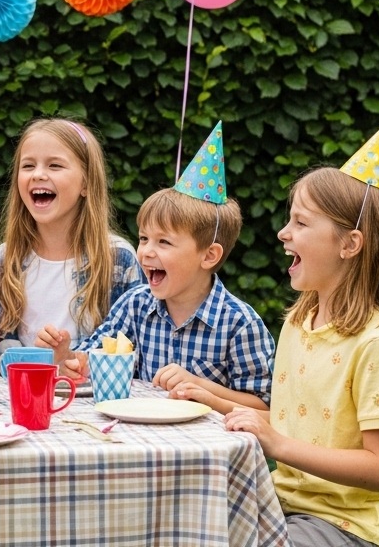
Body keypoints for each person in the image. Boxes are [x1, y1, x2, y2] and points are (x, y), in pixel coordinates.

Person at [227, 107, 379, 547]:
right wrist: (211, 400)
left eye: (300, 222)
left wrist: (277, 445)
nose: (283, 233)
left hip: (349, 526)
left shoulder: (377, 345)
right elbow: (290, 424)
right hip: (283, 504)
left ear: (350, 244)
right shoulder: (300, 323)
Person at [53, 123, 273, 413]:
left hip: (206, 439)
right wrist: (69, 358)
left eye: (164, 242)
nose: (146, 251)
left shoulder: (240, 324)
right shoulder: (135, 305)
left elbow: (264, 407)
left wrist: (199, 385)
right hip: (141, 433)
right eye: (144, 238)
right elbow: (92, 359)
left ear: (209, 256)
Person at [0, 118, 141, 357]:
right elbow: (1, 344)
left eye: (55, 166)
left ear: (86, 182)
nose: (38, 174)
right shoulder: (5, 259)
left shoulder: (118, 259)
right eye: (28, 165)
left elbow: (130, 346)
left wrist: (68, 358)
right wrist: (34, 360)